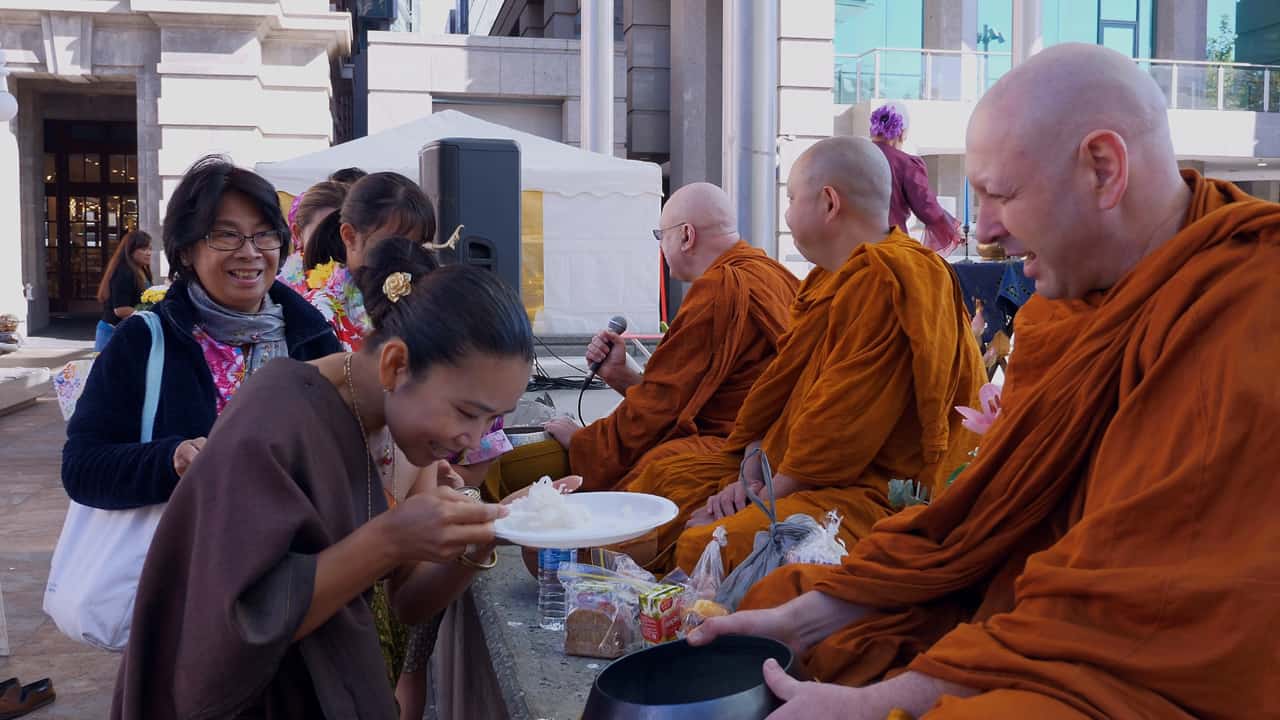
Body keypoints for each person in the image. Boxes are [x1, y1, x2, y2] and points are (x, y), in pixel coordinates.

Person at [689, 43, 1280, 719]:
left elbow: (1147, 613)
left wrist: (888, 702)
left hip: (1144, 656)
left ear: (1104, 169)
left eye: (1001, 195)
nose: (986, 231)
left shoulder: (1248, 306)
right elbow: (992, 512)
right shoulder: (1063, 304)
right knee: (788, 608)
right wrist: (813, 616)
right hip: (1033, 605)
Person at [111, 248, 539, 719]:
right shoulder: (276, 417)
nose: (473, 439)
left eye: (492, 419)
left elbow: (405, 604)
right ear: (396, 365)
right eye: (466, 412)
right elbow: (237, 622)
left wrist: (486, 536)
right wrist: (390, 538)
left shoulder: (406, 439)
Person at [625, 137, 985, 573]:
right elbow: (786, 396)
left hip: (872, 489)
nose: (788, 212)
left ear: (829, 203)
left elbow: (841, 429)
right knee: (669, 481)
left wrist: (762, 493)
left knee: (707, 544)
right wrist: (752, 471)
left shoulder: (887, 279)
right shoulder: (825, 281)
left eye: (792, 198)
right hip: (791, 468)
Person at [63, 156, 341, 510]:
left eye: (264, 234)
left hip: (297, 556)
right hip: (181, 557)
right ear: (186, 249)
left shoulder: (313, 337)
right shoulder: (145, 340)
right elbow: (82, 468)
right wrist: (170, 460)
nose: (250, 252)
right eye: (226, 235)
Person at [542, 182, 798, 492]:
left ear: (687, 236)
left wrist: (586, 442)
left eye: (661, 236)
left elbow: (663, 407)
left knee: (653, 477)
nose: (661, 247)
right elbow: (682, 398)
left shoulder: (719, 289)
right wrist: (622, 375)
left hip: (739, 452)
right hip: (778, 445)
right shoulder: (777, 276)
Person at [870, 103, 963, 257]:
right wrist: (952, 228)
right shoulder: (906, 163)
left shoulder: (854, 157)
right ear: (902, 132)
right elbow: (926, 207)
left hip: (851, 249)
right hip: (889, 248)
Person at [278, 180, 349, 293]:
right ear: (298, 233)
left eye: (347, 235)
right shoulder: (277, 294)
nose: (336, 242)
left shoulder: (378, 287)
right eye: (323, 233)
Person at [94, 230, 154, 352]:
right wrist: (150, 314)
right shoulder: (123, 272)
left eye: (150, 249)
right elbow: (120, 310)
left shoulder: (142, 270)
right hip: (112, 333)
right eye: (143, 249)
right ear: (130, 251)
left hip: (126, 332)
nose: (148, 253)